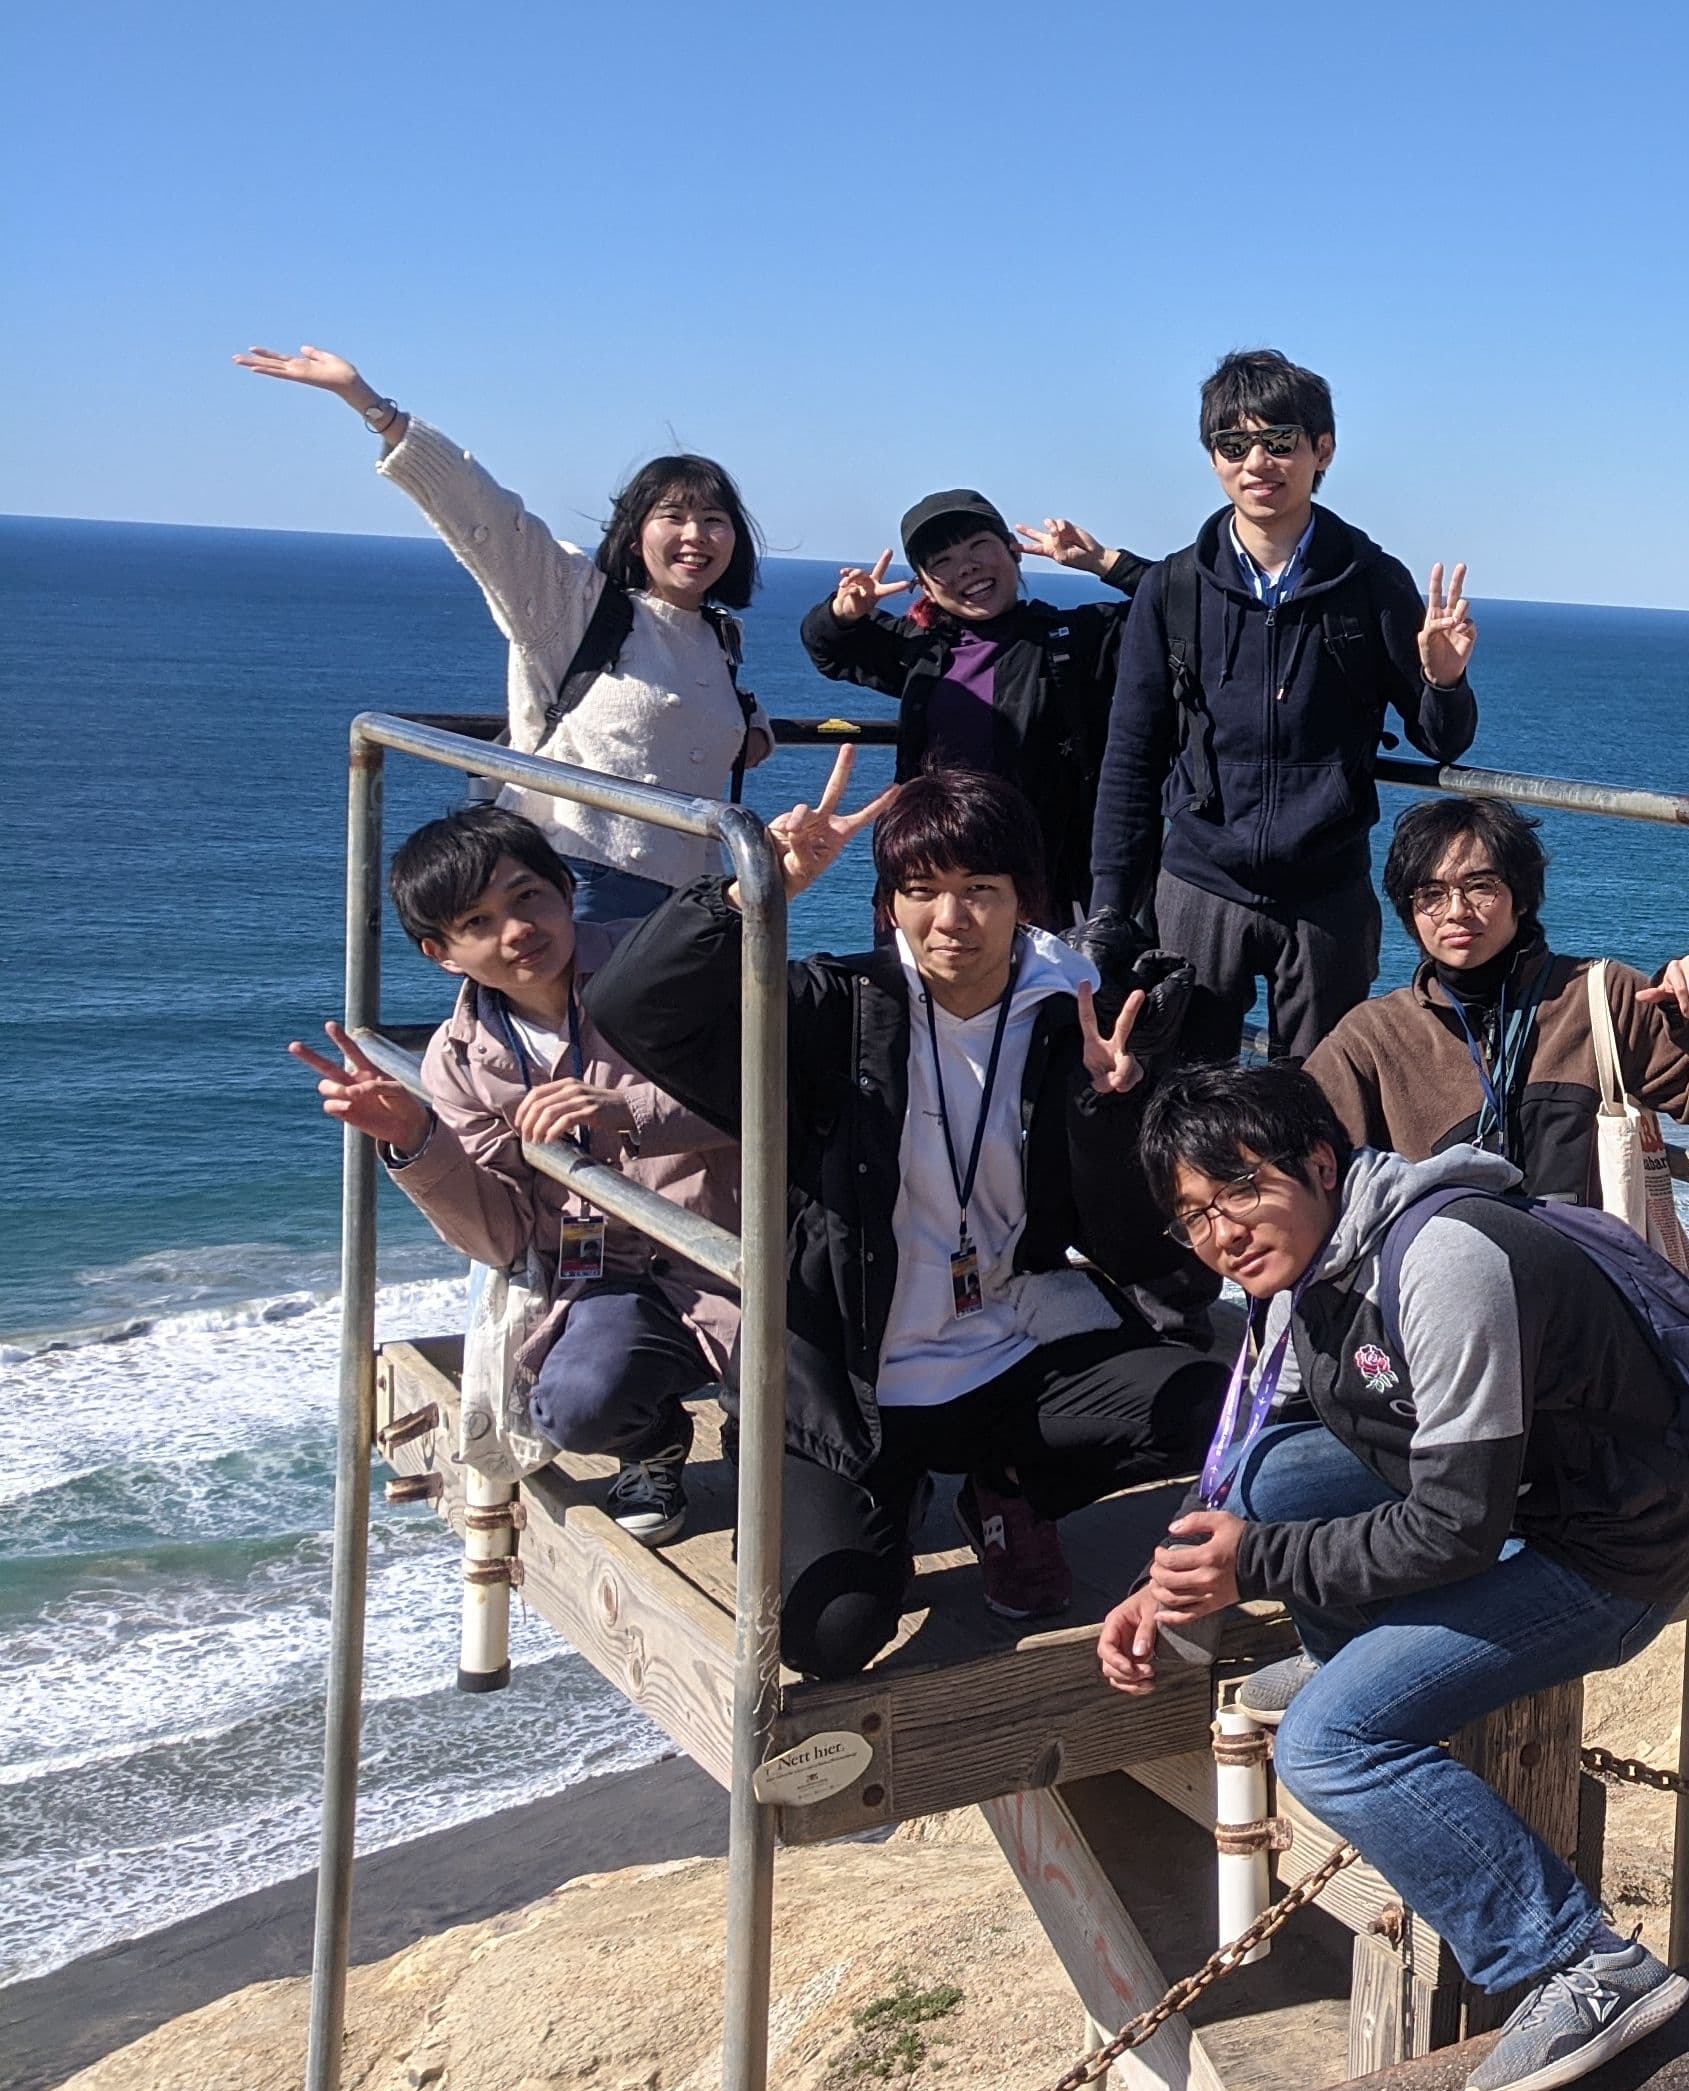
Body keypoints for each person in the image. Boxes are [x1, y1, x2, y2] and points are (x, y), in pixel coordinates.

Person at [1101, 1063, 1689, 2091]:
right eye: (1194, 1217)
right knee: (1275, 1474)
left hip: (1609, 1554)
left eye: (1241, 1189)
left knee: (1328, 1742)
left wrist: (1252, 1565)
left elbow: (1455, 1532)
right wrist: (1162, 1587)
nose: (1224, 1233)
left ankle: (1577, 1963)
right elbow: (1247, 1469)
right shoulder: (1311, 1272)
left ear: (1320, 1163)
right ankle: (1359, 1661)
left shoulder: (1440, 1260)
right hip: (1521, 1503)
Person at [591, 761, 1221, 1673]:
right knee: (828, 1633)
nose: (950, 920)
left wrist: (1110, 1112)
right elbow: (630, 1006)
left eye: (980, 891)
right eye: (920, 891)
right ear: (888, 903)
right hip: (850, 1386)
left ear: (1025, 903)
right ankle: (827, 1481)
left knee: (1207, 1406)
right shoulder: (832, 1010)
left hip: (1006, 1353)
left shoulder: (1071, 1021)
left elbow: (1132, 1245)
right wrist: (755, 887)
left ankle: (1006, 1488)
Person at [287, 809, 739, 1539]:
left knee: (790, 1424)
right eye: (478, 920)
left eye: (527, 897)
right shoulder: (459, 1061)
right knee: (576, 1402)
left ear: (566, 889)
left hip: (742, 1255)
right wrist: (415, 1138)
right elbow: (502, 1236)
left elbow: (780, 1091)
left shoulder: (657, 968)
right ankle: (651, 1438)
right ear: (443, 952)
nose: (516, 930)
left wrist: (631, 1110)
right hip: (611, 1277)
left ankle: (769, 1427)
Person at [235, 346, 773, 920]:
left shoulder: (719, 638)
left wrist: (754, 733)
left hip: (691, 896)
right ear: (635, 533)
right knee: (562, 1013)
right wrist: (374, 409)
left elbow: (721, 728)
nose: (696, 535)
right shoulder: (573, 602)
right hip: (579, 875)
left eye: (714, 521)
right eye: (673, 517)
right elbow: (487, 516)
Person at [1083, 348, 1481, 1067]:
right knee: (1188, 1096)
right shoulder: (1172, 589)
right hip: (1201, 881)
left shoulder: (1369, 581)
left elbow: (1439, 740)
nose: (1256, 461)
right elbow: (1131, 754)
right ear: (1212, 458)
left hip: (1327, 888)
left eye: (1279, 441)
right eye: (1233, 445)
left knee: (1324, 1100)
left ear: (1321, 449)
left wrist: (1443, 680)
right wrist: (1110, 902)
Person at [1304, 798, 1689, 1214]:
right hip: (1452, 1290)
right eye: (1431, 894)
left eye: (1480, 886)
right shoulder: (1376, 1036)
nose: (1456, 911)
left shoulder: (1598, 997)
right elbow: (1301, 1151)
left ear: (1522, 897)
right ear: (1410, 912)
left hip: (1585, 1281)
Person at [801, 490, 1150, 923]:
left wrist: (1104, 563)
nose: (965, 566)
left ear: (1013, 551)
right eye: (941, 561)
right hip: (925, 883)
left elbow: (1181, 607)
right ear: (925, 586)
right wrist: (843, 612)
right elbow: (827, 648)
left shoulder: (1071, 641)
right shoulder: (921, 650)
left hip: (1039, 890)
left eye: (979, 545)